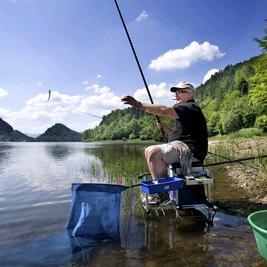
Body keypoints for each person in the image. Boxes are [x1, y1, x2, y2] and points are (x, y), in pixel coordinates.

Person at [121, 81, 208, 181]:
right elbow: (180, 135)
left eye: (180, 92)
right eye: (175, 92)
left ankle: (162, 193)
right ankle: (165, 189)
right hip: (183, 148)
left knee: (153, 152)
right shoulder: (187, 113)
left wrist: (138, 104)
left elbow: (164, 110)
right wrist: (166, 129)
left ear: (190, 94)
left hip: (190, 152)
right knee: (148, 151)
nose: (176, 95)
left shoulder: (191, 107)